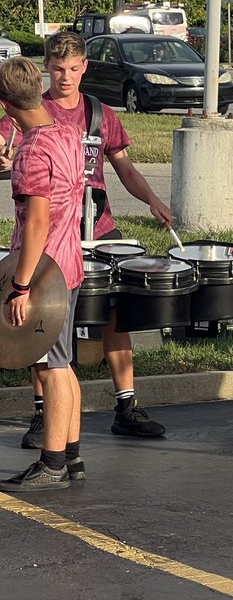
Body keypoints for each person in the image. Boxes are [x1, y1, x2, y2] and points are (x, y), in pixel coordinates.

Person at [0, 30, 167, 445]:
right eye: (58, 69)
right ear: (44, 75)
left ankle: (112, 414)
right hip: (64, 247)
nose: (66, 77)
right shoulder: (45, 123)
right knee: (55, 354)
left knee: (67, 346)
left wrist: (152, 200)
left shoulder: (89, 118)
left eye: (74, 68)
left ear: (85, 67)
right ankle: (55, 435)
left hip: (65, 246)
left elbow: (121, 171)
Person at [0, 57, 85, 491]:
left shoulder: (32, 149)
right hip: (70, 262)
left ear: (5, 103)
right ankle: (70, 457)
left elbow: (36, 222)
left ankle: (51, 465)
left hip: (44, 273)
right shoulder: (67, 132)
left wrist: (20, 286)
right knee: (64, 363)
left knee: (51, 369)